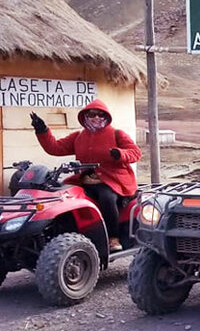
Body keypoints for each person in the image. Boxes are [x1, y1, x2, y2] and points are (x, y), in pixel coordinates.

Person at [30, 100, 142, 252]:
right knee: (64, 195)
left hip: (113, 180)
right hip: (86, 179)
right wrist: (42, 130)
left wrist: (120, 154)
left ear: (106, 116)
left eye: (100, 114)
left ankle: (113, 238)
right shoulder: (78, 137)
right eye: (92, 114)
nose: (96, 118)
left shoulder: (116, 134)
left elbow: (135, 153)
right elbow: (55, 148)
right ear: (85, 116)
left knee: (107, 198)